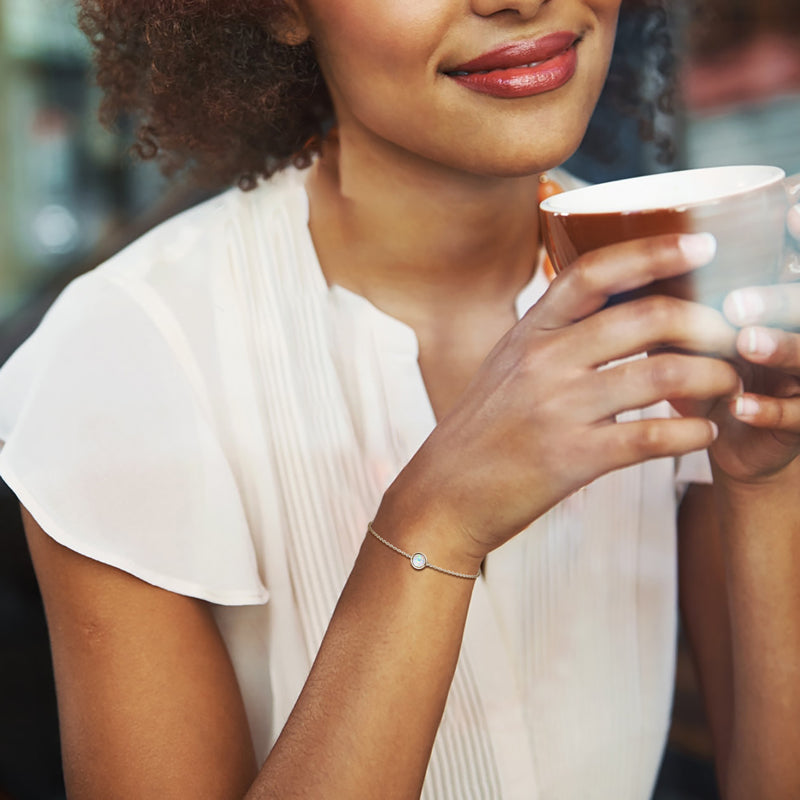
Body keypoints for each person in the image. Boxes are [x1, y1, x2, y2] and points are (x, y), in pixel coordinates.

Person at [1, 1, 799, 798]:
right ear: (282, 11)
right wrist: (434, 525)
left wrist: (767, 480)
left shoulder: (680, 285)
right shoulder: (128, 352)